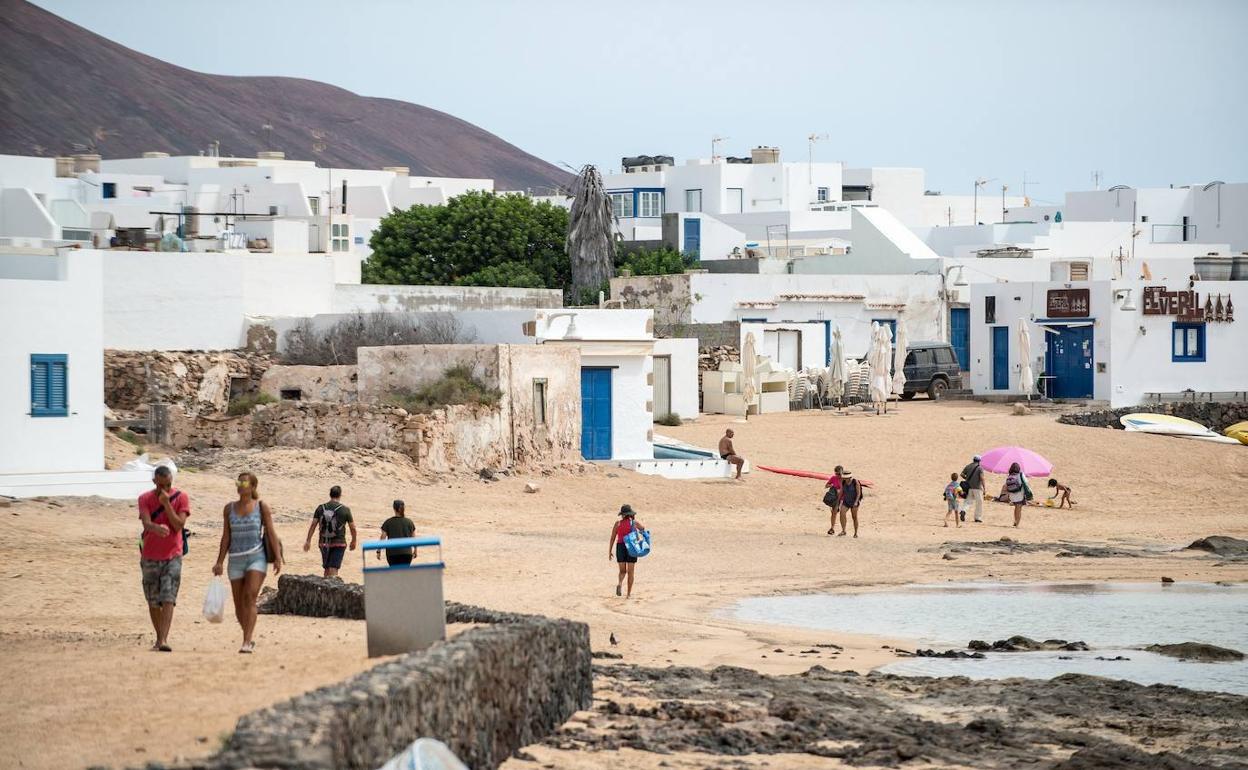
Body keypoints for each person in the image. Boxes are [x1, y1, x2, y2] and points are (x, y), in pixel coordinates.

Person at [213, 472, 282, 653]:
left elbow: (271, 533)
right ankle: (248, 635)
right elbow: (226, 536)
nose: (240, 485)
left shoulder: (261, 507)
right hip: (235, 559)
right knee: (238, 605)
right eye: (239, 482)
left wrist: (277, 557)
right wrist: (219, 561)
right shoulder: (229, 509)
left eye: (244, 483)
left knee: (250, 597)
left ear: (252, 487)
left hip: (256, 557)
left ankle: (246, 641)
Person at [137, 466, 190, 652]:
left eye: (168, 485)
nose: (165, 489)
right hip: (150, 555)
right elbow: (145, 522)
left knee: (168, 597)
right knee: (153, 600)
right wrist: (155, 528)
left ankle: (163, 639)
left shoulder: (181, 497)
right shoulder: (144, 498)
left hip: (172, 555)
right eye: (161, 486)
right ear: (154, 483)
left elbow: (178, 525)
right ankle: (159, 638)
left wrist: (167, 504)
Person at [303, 485, 356, 578]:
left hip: (324, 543)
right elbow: (353, 528)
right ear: (340, 495)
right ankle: (331, 588)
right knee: (334, 569)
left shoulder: (320, 508)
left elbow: (313, 525)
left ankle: (325, 588)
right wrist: (354, 540)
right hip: (339, 543)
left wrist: (308, 541)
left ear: (330, 495)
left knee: (327, 568)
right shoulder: (345, 510)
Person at [608, 504, 646, 598]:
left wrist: (610, 551)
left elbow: (612, 537)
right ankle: (628, 595)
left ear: (622, 514)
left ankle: (620, 584)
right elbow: (643, 528)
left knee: (622, 571)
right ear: (630, 514)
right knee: (631, 572)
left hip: (620, 547)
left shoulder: (618, 523)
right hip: (631, 547)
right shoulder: (633, 523)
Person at [378, 499, 417, 566]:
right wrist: (415, 550)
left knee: (394, 574)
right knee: (404, 574)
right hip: (406, 553)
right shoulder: (409, 522)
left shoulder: (388, 522)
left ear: (394, 508)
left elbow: (383, 538)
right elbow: (414, 539)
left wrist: (378, 551)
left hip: (392, 553)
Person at [960, 454, 987, 523]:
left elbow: (962, 474)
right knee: (979, 503)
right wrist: (984, 488)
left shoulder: (968, 466)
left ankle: (963, 510)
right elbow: (982, 478)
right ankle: (977, 518)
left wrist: (967, 479)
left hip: (969, 487)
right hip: (977, 488)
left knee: (968, 501)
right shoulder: (980, 468)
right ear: (979, 461)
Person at [838, 470, 864, 538]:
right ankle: (843, 530)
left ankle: (855, 533)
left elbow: (859, 493)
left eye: (845, 478)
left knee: (854, 517)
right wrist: (838, 500)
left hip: (854, 502)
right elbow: (841, 491)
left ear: (849, 477)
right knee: (842, 513)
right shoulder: (843, 482)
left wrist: (856, 502)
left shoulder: (856, 482)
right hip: (846, 501)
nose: (844, 479)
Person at [1005, 462, 1029, 528]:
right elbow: (1026, 482)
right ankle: (1017, 524)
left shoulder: (1009, 475)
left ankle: (1015, 521)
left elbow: (1006, 485)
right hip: (1019, 494)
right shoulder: (1020, 474)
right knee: (1019, 509)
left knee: (1016, 508)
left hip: (1012, 495)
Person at [824, 465, 844, 535]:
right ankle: (832, 528)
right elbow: (826, 485)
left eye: (839, 474)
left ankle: (843, 530)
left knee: (842, 514)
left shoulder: (845, 479)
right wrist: (832, 486)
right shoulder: (833, 478)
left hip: (843, 498)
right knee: (834, 513)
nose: (838, 475)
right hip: (835, 498)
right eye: (836, 474)